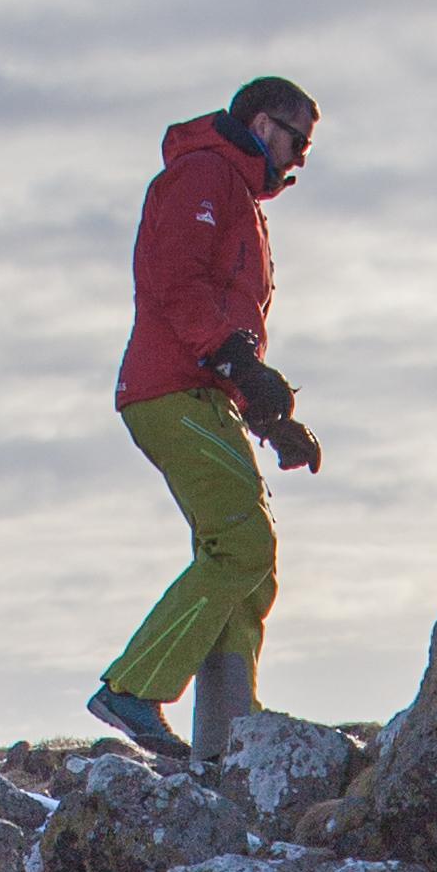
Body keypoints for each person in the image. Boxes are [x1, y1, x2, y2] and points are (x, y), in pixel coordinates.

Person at [89, 73, 323, 767]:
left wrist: (267, 414)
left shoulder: (238, 197)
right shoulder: (201, 175)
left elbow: (227, 330)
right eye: (295, 137)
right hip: (170, 389)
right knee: (239, 544)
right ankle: (132, 687)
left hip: (203, 391)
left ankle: (224, 745)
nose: (301, 157)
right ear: (257, 119)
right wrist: (236, 363)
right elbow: (179, 284)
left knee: (251, 568)